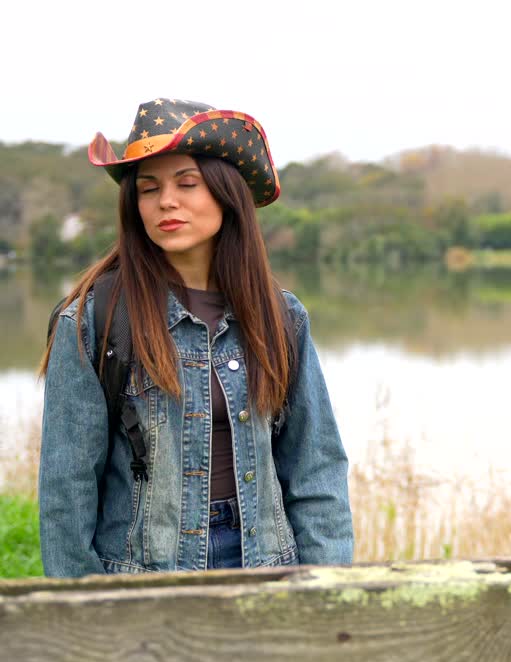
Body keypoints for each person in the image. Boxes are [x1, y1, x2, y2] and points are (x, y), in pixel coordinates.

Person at [37, 98, 353, 576]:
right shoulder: (93, 320)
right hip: (143, 580)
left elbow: (316, 469)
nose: (166, 201)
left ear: (227, 195)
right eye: (148, 189)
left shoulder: (280, 317)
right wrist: (84, 611)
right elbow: (67, 491)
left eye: (187, 183)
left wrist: (327, 588)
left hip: (268, 571)